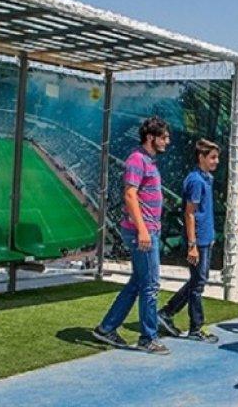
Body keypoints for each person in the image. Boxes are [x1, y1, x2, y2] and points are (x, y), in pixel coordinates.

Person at [93, 116, 171, 355]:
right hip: (142, 233)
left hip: (148, 230)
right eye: (164, 137)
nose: (168, 141)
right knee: (151, 284)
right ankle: (148, 338)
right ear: (151, 137)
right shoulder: (137, 159)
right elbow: (129, 195)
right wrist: (143, 230)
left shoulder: (149, 161)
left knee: (138, 282)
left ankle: (106, 328)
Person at [157, 139, 221, 343]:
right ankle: (195, 327)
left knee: (198, 280)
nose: (216, 161)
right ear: (201, 157)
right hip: (197, 240)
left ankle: (166, 313)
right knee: (198, 284)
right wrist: (193, 245)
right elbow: (190, 214)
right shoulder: (195, 181)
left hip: (205, 238)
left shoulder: (206, 179)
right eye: (212, 157)